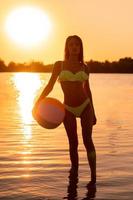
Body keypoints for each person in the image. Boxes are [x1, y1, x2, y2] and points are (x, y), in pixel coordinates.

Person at [36, 35, 97, 186]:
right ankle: (74, 172)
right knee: (73, 142)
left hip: (85, 106)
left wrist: (94, 112)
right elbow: (50, 86)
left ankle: (94, 177)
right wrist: (38, 101)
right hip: (68, 108)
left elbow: (88, 90)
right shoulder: (59, 65)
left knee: (88, 140)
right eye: (71, 45)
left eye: (77, 44)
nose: (74, 47)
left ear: (80, 48)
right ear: (67, 47)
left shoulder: (85, 67)